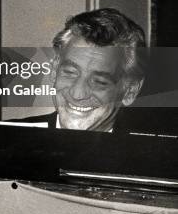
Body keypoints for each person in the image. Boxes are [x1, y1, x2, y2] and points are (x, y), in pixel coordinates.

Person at [18, 8, 146, 132]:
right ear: (54, 71)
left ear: (130, 91)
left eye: (99, 82)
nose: (77, 94)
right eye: (70, 73)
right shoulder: (6, 139)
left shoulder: (151, 151)